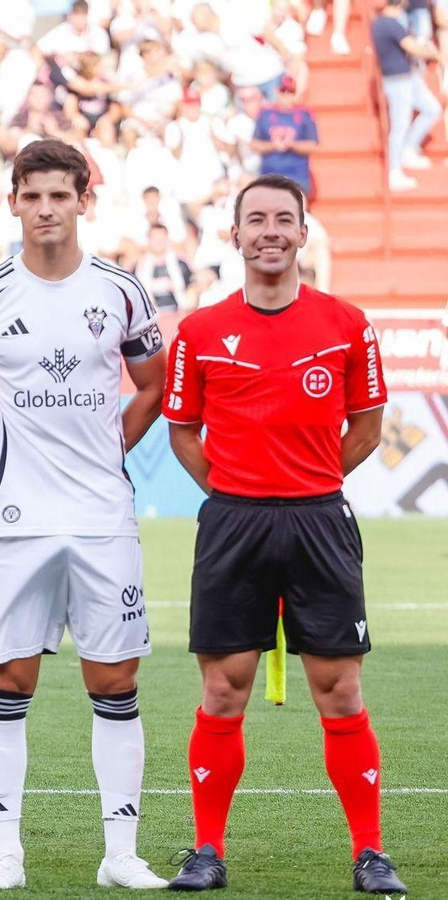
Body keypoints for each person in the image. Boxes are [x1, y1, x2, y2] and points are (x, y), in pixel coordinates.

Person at [162, 174, 405, 895]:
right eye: (256, 220)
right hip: (233, 521)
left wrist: (310, 480)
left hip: (318, 519)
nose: (270, 231)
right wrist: (234, 487)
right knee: (223, 688)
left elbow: (365, 427)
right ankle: (206, 850)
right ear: (233, 236)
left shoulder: (346, 323)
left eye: (284, 220)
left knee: (339, 688)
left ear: (303, 233)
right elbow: (182, 431)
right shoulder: (201, 331)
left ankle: (371, 853)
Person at [0, 138, 170, 891]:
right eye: (32, 195)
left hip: (104, 515)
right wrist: (19, 446)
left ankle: (121, 855)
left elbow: (151, 384)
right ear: (13, 201)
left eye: (59, 195)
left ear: (84, 201)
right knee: (8, 679)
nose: (46, 209)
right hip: (15, 518)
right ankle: (4, 851)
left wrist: (111, 449)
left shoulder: (122, 292)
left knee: (114, 680)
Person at [371, 0, 441, 191]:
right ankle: (394, 171)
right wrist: (436, 55)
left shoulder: (382, 22)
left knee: (432, 109)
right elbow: (411, 46)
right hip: (397, 79)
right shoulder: (389, 23)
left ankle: (408, 149)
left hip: (407, 76)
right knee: (400, 124)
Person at [251, 76, 319, 196]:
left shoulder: (304, 115)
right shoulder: (266, 114)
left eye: (290, 92)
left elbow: (313, 145)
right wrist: (273, 146)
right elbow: (254, 144)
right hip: (269, 174)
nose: (286, 96)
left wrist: (291, 145)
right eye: (283, 91)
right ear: (277, 92)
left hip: (296, 175)